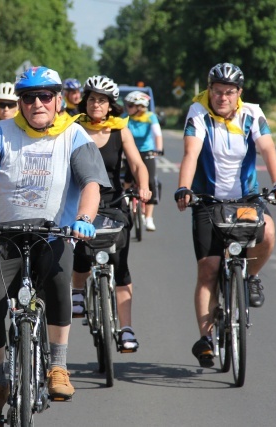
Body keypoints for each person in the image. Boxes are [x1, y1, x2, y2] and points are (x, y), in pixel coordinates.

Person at [0, 66, 110, 426]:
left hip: (53, 233)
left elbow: (91, 185)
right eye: (28, 97)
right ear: (20, 103)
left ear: (57, 100)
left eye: (44, 96)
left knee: (57, 284)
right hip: (2, 236)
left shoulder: (74, 134)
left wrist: (84, 218)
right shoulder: (0, 133)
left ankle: (58, 365)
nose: (37, 103)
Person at [174, 62, 276, 368]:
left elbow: (268, 150)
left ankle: (250, 277)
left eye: (229, 92)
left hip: (245, 199)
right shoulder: (198, 112)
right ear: (208, 90)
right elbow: (190, 153)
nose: (222, 97)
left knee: (268, 231)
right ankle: (206, 339)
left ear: (239, 93)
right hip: (207, 200)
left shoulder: (252, 113)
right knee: (209, 270)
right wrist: (184, 188)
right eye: (217, 91)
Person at [71, 75, 151, 351]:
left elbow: (138, 164)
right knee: (81, 248)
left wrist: (143, 186)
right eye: (92, 99)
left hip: (114, 201)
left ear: (110, 106)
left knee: (119, 262)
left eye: (102, 101)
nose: (96, 104)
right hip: (81, 201)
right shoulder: (73, 128)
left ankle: (126, 328)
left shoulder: (120, 130)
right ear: (85, 101)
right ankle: (78, 292)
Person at [124, 90, 164, 231]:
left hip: (147, 151)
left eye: (130, 105)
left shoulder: (150, 117)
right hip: (130, 151)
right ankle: (125, 202)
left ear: (139, 106)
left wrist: (158, 149)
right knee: (127, 177)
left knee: (151, 182)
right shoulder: (125, 118)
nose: (127, 107)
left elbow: (157, 133)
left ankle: (148, 218)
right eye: (127, 105)